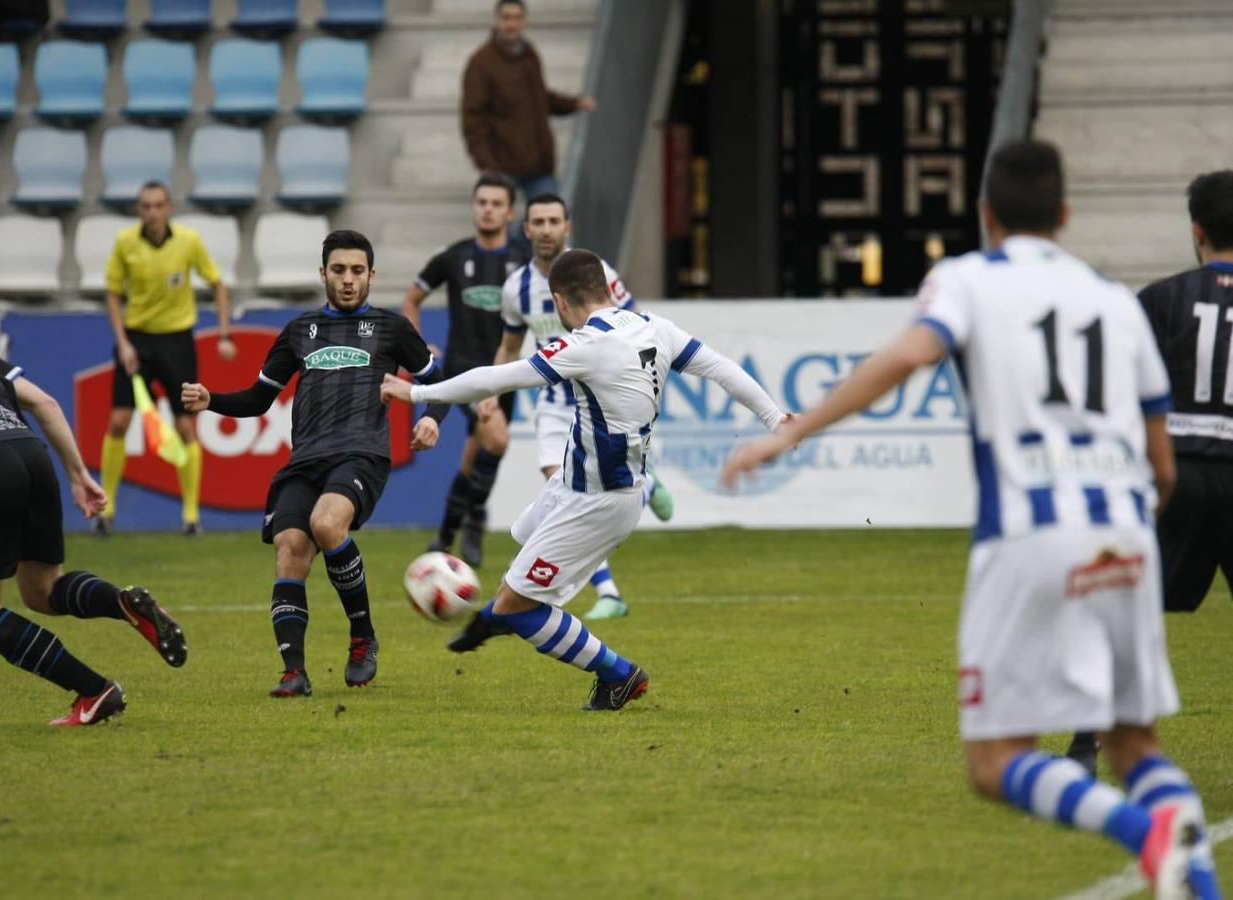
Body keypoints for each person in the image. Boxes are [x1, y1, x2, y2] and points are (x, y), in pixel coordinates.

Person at [722, 140, 1221, 900]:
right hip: (1124, 528)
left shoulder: (966, 279)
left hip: (1030, 531)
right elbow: (1162, 467)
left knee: (994, 765)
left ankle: (1141, 833)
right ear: (1065, 215)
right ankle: (1188, 856)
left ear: (986, 214)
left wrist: (790, 432)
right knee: (1134, 741)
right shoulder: (1117, 300)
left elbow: (904, 358)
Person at [381, 248, 789, 710]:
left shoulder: (584, 346)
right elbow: (722, 368)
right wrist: (775, 417)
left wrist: (415, 391)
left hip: (599, 501)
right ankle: (491, 620)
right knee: (520, 551)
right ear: (610, 288)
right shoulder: (656, 326)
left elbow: (496, 378)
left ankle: (618, 675)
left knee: (520, 606)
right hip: (573, 486)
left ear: (559, 302)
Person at [0, 256, 187, 727]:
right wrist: (79, 474)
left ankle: (95, 689)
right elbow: (43, 401)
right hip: (29, 450)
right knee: (43, 589)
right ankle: (120, 602)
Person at [181, 230, 448, 697]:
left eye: (357, 271)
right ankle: (294, 673)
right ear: (323, 273)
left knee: (327, 524)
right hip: (305, 459)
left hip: (362, 453)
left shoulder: (392, 328)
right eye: (339, 270)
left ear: (371, 276)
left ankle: (362, 637)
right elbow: (260, 398)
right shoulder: (300, 331)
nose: (348, 280)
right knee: (289, 548)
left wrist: (432, 419)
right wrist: (212, 400)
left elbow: (437, 382)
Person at [1067, 169, 1233, 776]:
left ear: (1197, 232)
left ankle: (1085, 746)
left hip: (1177, 475)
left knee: (1123, 609)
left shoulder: (1160, 300)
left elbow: (1117, 393)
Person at [489, 192, 673, 620]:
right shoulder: (515, 288)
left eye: (555, 221)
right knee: (567, 490)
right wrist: (490, 401)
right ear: (527, 228)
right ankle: (609, 590)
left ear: (567, 227)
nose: (547, 229)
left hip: (603, 397)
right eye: (539, 221)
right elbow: (510, 348)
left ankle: (643, 487)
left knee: (576, 494)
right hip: (555, 402)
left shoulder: (598, 274)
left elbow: (638, 328)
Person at [400, 172, 529, 567]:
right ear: (474, 208)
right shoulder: (454, 257)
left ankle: (447, 535)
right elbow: (411, 299)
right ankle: (472, 524)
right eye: (482, 202)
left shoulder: (523, 262)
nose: (487, 209)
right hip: (465, 370)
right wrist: (418, 345)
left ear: (509, 212)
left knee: (475, 458)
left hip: (509, 371)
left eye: (495, 203)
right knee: (497, 440)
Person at [97, 180, 235, 537]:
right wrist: (123, 342)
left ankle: (191, 515)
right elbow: (113, 294)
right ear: (138, 210)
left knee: (186, 425)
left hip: (177, 340)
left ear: (169, 207)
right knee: (118, 421)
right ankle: (105, 509)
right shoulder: (125, 243)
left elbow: (218, 284)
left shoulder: (188, 242)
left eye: (158, 205)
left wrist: (223, 334)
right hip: (137, 340)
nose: (152, 212)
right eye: (146, 206)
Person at [460, 0, 596, 205]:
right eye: (506, 18)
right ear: (497, 21)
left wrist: (574, 104)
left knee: (550, 223)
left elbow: (541, 97)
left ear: (524, 21)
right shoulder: (481, 63)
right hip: (503, 168)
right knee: (503, 231)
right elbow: (472, 120)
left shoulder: (529, 55)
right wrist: (489, 166)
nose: (511, 24)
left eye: (517, 18)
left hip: (539, 165)